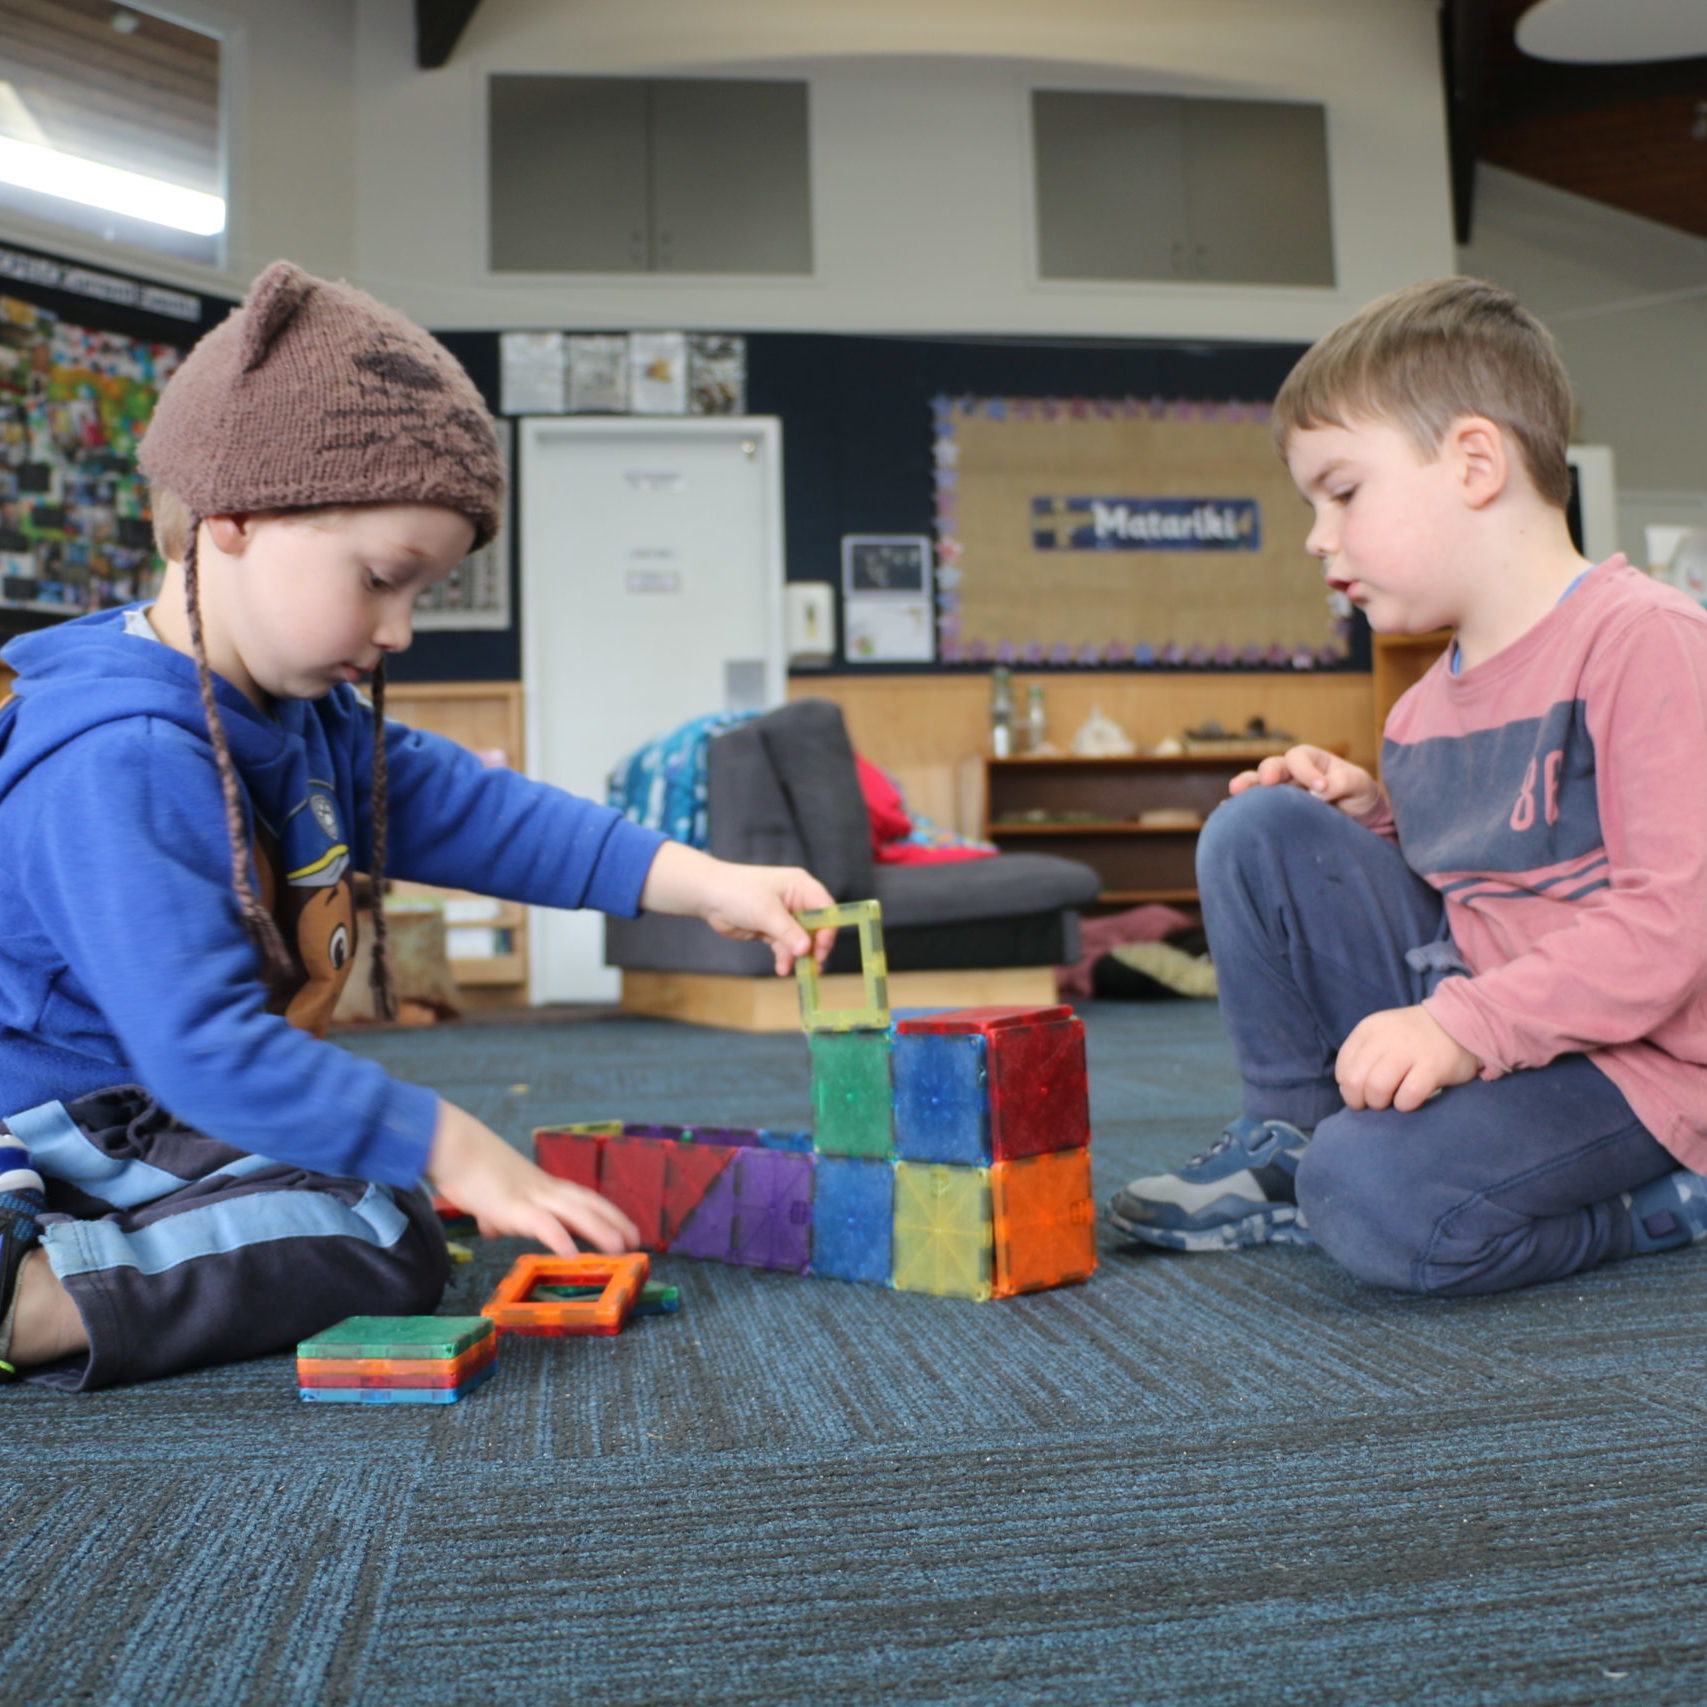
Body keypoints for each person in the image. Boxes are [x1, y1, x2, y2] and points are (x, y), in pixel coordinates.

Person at [0, 261, 834, 1390]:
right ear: (232, 519)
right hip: (76, 1116)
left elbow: (481, 814)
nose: (399, 629)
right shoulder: (126, 754)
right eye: (383, 578)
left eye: (421, 594)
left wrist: (703, 879)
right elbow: (201, 1052)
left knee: (377, 1187)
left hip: (151, 1105)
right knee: (383, 1228)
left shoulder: (299, 710)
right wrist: (457, 1148)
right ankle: (32, 1300)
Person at [1110, 275, 1707, 1296]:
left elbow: (1676, 926)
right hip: (1498, 1024)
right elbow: (1477, 896)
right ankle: (1285, 1141)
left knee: (1375, 1196)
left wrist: (1460, 1030)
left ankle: (1659, 1207)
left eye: (1342, 492)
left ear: (1476, 462)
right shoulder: (1420, 709)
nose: (1316, 536)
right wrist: (1374, 823)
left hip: (1644, 1067)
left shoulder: (1646, 641)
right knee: (1262, 823)